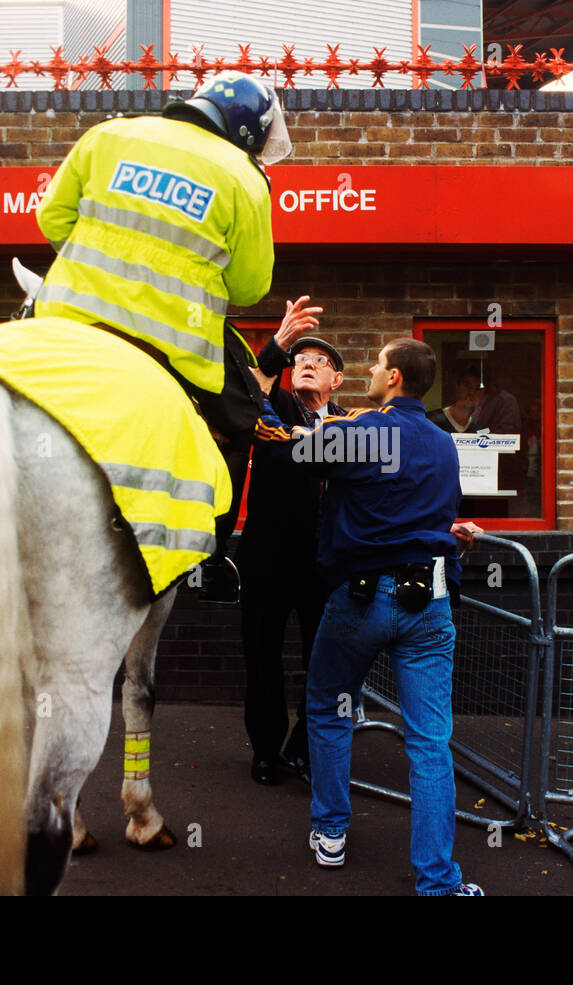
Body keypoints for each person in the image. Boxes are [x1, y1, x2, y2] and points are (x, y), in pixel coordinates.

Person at [34, 70, 291, 602]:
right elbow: (249, 286)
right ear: (249, 132)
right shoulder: (244, 177)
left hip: (66, 325)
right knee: (243, 419)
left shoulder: (109, 134)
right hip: (171, 349)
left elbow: (52, 222)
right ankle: (214, 556)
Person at [252, 338, 484, 896]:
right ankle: (439, 882)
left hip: (360, 600)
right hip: (428, 603)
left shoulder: (360, 434)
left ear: (396, 378)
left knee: (329, 708)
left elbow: (278, 448)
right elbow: (436, 512)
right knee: (430, 741)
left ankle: (330, 833)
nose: (372, 372)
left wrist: (263, 388)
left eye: (379, 365)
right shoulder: (445, 443)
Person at [239, 296, 345, 786]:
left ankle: (304, 747)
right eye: (298, 360)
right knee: (262, 657)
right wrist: (277, 345)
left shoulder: (352, 423)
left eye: (317, 362)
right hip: (267, 557)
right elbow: (249, 389)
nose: (305, 365)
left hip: (325, 563)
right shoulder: (276, 407)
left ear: (336, 381)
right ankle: (265, 750)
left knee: (321, 660)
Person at [427, 365, 482, 433]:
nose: (471, 392)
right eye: (466, 385)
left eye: (477, 388)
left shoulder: (480, 429)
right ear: (456, 387)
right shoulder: (432, 421)